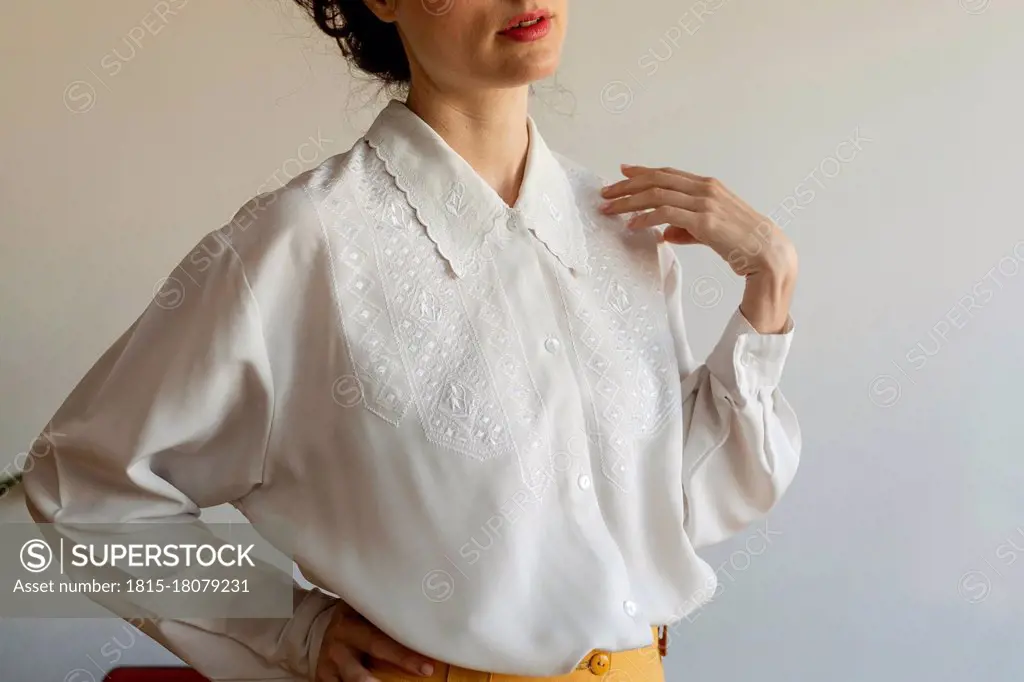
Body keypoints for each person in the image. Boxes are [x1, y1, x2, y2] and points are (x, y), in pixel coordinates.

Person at [22, 2, 802, 681]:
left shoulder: (623, 233)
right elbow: (82, 489)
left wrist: (769, 289)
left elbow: (681, 508)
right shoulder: (304, 245)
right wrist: (290, 628)